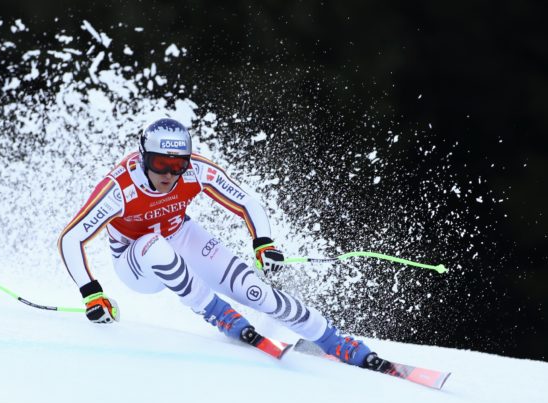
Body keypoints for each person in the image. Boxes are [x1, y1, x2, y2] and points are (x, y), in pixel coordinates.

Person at [58, 118, 381, 367]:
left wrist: (263, 243)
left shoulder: (195, 171)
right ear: (144, 157)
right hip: (137, 261)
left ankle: (332, 339)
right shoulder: (119, 188)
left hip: (179, 235)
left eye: (178, 165)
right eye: (160, 164)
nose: (170, 175)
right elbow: (71, 238)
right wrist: (92, 294)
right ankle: (217, 313)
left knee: (256, 291)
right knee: (155, 245)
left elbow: (246, 201)